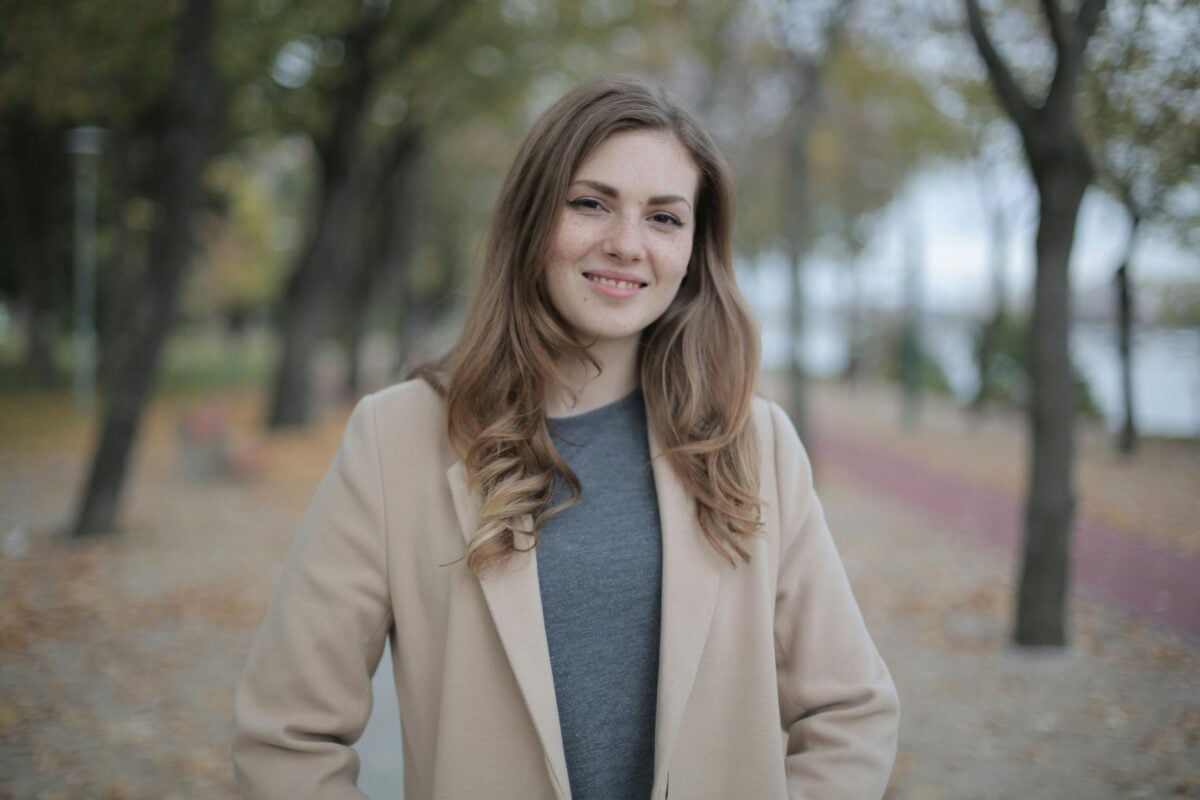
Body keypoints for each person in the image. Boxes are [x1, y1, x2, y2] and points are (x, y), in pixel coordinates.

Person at [233, 75, 899, 800]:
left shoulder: (754, 443)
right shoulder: (396, 439)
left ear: (693, 250)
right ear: (530, 219)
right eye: (591, 203)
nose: (627, 245)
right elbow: (286, 737)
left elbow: (850, 712)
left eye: (665, 218)